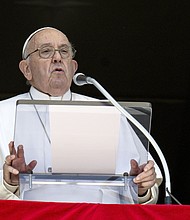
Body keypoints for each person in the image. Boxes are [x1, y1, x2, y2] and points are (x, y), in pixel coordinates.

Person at [0, 27, 162, 203]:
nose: (57, 58)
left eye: (64, 51)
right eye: (46, 51)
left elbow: (146, 186)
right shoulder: (3, 113)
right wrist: (11, 182)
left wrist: (140, 186)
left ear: (73, 66)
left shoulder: (106, 111)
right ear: (26, 69)